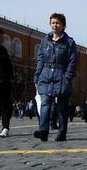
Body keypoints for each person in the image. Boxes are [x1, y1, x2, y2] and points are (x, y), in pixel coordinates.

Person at [33, 13, 77, 142]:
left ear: (63, 25)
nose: (55, 25)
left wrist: (67, 78)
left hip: (61, 75)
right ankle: (43, 131)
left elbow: (72, 62)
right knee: (45, 103)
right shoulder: (45, 41)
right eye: (53, 22)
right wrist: (37, 77)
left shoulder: (69, 42)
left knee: (62, 107)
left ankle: (62, 133)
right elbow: (40, 59)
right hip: (45, 75)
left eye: (57, 23)